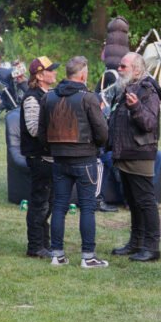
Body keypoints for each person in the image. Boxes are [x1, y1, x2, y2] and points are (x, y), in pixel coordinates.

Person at [39, 56, 109, 268]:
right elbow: (102, 131)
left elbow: (42, 133)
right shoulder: (88, 98)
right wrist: (96, 146)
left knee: (59, 205)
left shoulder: (49, 97)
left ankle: (57, 255)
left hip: (59, 158)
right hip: (84, 157)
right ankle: (88, 257)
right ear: (83, 74)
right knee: (87, 207)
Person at [108, 52, 161, 262]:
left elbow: (149, 123)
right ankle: (136, 242)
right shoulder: (125, 88)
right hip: (125, 153)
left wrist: (136, 107)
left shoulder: (148, 90)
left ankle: (152, 247)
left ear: (137, 70)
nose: (119, 69)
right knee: (132, 200)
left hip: (140, 154)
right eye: (119, 66)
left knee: (146, 201)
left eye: (123, 66)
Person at [20, 56, 60, 258]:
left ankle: (45, 243)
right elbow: (34, 129)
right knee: (39, 204)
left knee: (48, 203)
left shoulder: (49, 94)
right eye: (51, 70)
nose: (54, 72)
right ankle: (35, 247)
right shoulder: (32, 98)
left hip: (49, 158)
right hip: (39, 158)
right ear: (40, 74)